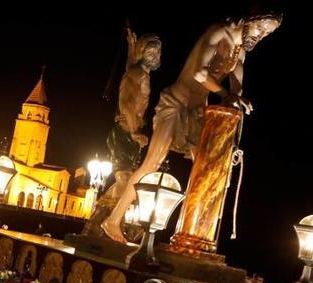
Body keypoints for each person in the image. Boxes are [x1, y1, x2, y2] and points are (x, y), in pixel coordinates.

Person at [102, 13, 282, 242]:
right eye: (261, 28)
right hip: (176, 103)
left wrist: (236, 100)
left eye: (267, 33)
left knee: (207, 169)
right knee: (152, 162)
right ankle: (113, 220)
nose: (262, 36)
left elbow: (236, 87)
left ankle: (189, 234)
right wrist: (226, 94)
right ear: (250, 20)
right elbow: (199, 74)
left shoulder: (240, 53)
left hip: (197, 113)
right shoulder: (218, 33)